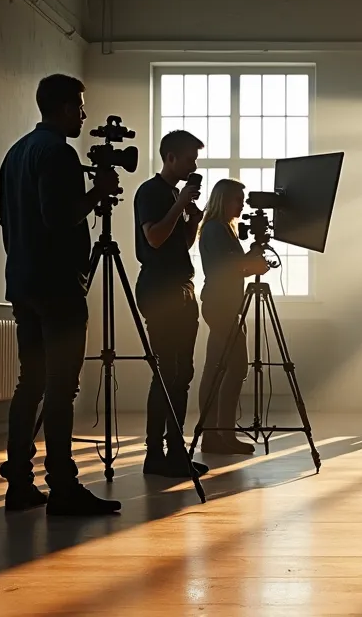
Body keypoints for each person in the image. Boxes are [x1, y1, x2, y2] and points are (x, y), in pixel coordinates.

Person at [0, 73, 121, 516]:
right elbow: (60, 216)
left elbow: (6, 221)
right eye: (81, 107)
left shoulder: (15, 154)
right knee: (60, 388)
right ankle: (63, 487)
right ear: (65, 107)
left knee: (29, 383)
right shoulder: (59, 153)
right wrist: (98, 193)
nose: (85, 115)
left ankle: (18, 482)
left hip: (24, 282)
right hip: (57, 287)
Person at [134, 130, 211, 478]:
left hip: (182, 288)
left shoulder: (171, 194)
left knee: (183, 373)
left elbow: (179, 243)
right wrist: (180, 204)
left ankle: (175, 451)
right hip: (160, 289)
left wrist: (192, 220)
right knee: (167, 372)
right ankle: (155, 454)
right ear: (171, 158)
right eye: (191, 158)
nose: (195, 165)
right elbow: (153, 238)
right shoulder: (151, 192)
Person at [196, 179, 270, 454]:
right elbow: (228, 267)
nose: (242, 204)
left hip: (221, 304)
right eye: (238, 199)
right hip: (221, 305)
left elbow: (232, 268)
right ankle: (222, 434)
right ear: (223, 200)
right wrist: (252, 259)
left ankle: (214, 435)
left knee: (215, 369)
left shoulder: (222, 229)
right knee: (235, 367)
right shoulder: (216, 229)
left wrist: (251, 263)